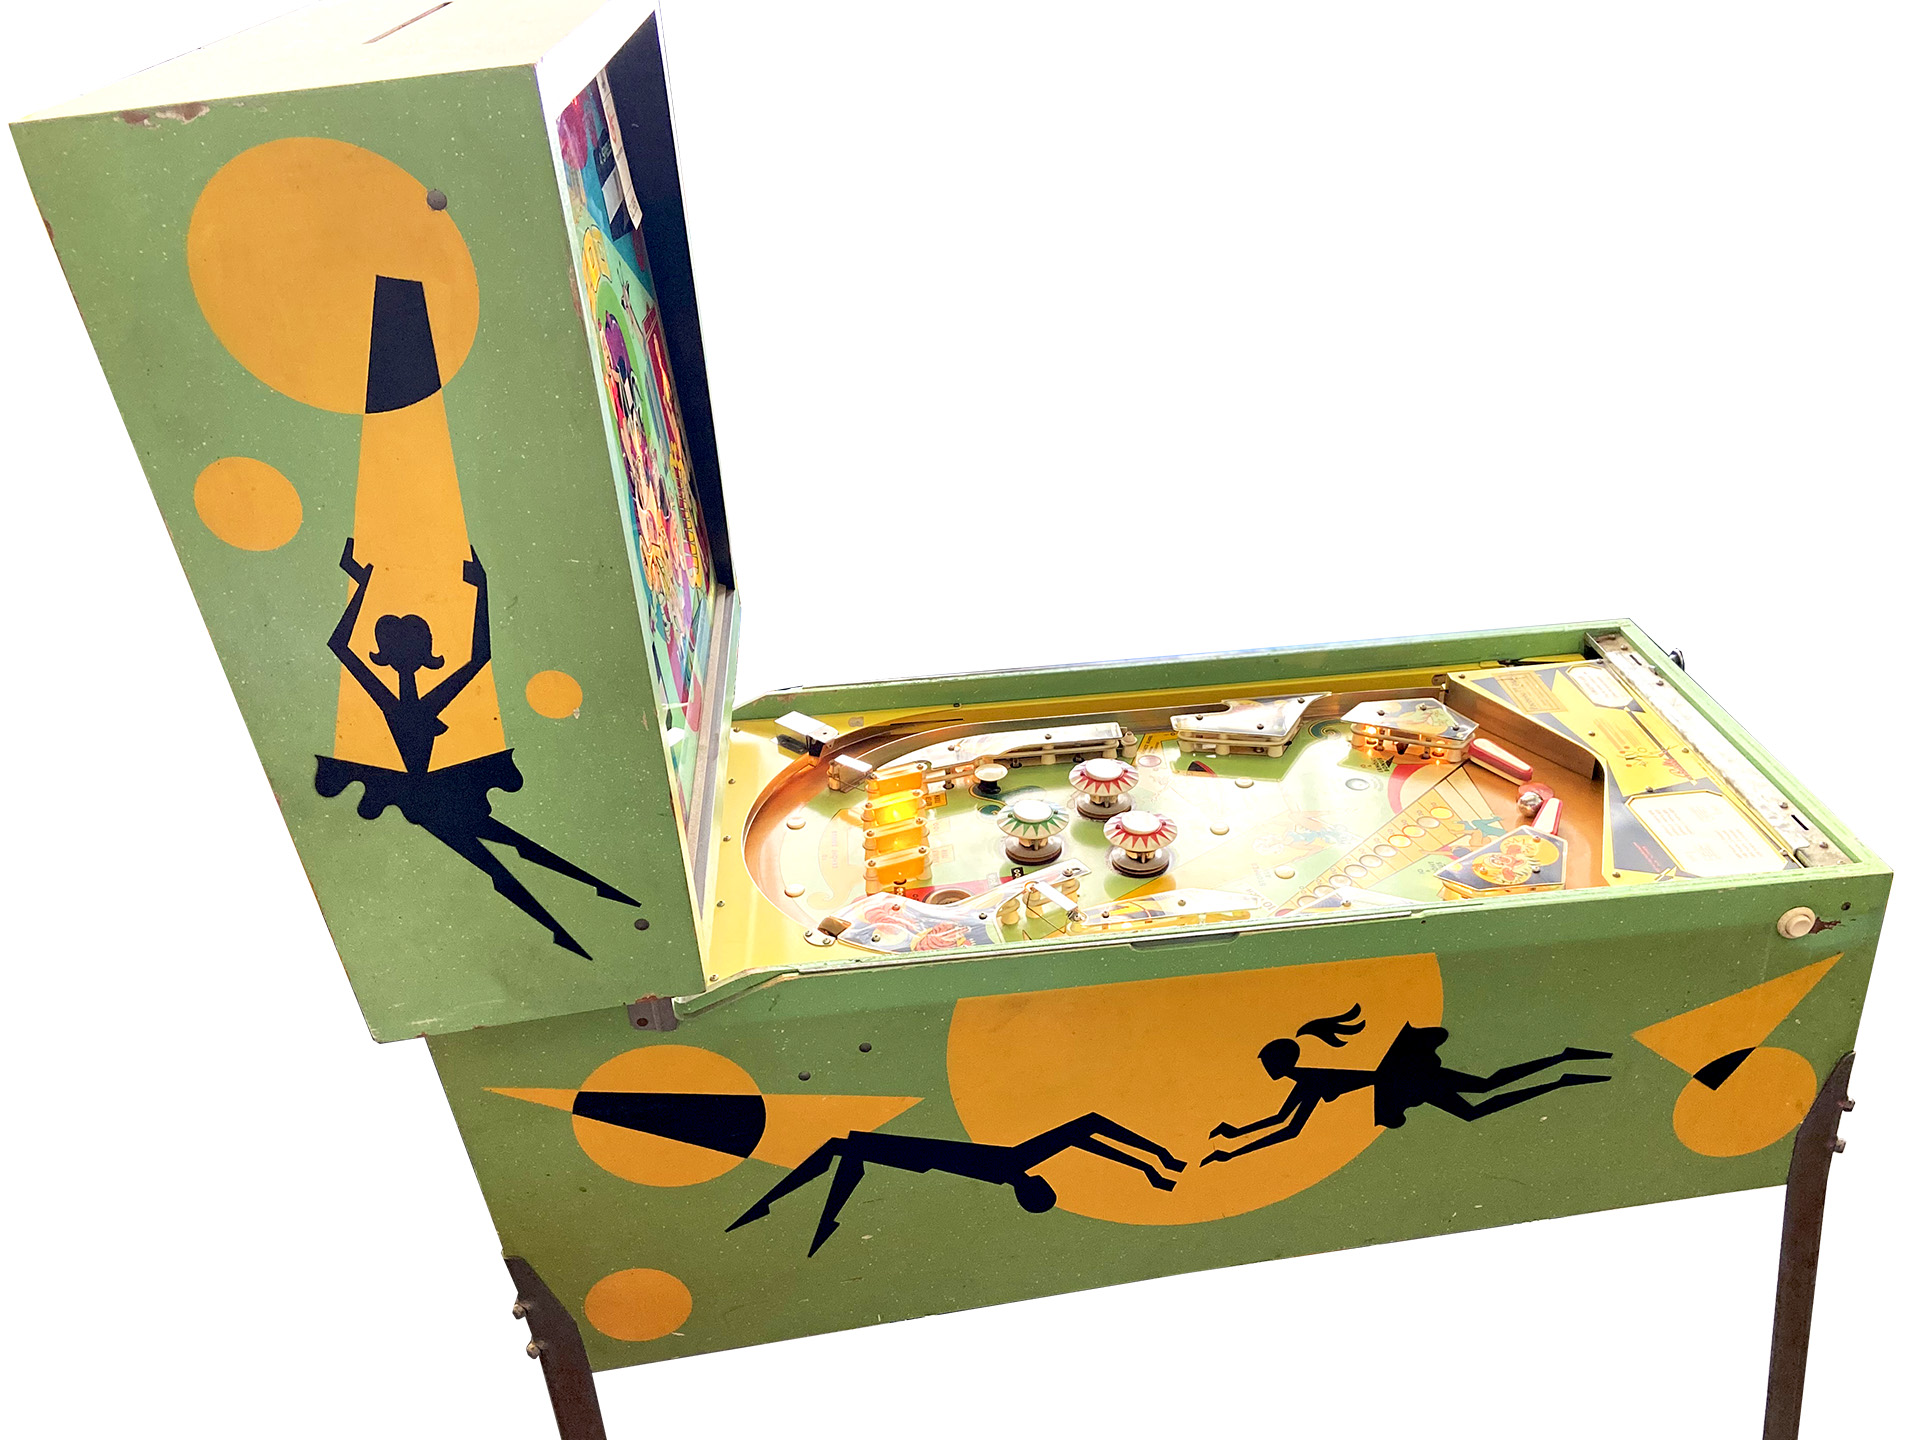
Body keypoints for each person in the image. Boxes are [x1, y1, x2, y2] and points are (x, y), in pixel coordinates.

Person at [315, 538, 638, 957]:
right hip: (426, 795)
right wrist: (364, 585)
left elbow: (473, 657)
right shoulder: (404, 702)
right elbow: (343, 647)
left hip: (432, 793)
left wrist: (479, 586)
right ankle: (575, 921)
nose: (405, 658)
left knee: (510, 855)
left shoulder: (407, 701)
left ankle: (588, 909)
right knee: (503, 860)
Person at [1203, 1006, 1611, 1166]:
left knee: (1482, 1094)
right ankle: (1561, 1069)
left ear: (1281, 1062)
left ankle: (1561, 1068)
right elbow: (1281, 1119)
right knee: (1481, 1095)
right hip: (1404, 1083)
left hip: (1409, 1080)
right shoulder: (1308, 1077)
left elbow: (1290, 1129)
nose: (1266, 1068)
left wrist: (1232, 1152)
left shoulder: (1311, 1078)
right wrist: (1233, 1135)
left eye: (1268, 1062)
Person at [729, 1114, 1186, 1255]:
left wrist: (1154, 1160)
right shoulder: (1012, 1168)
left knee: (842, 1148)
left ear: (1038, 1186)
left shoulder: (1015, 1164)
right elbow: (1088, 1133)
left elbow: (1089, 1127)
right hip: (930, 1158)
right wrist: (1152, 1163)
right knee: (843, 1149)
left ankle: (786, 1208)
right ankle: (798, 1211)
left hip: (928, 1156)